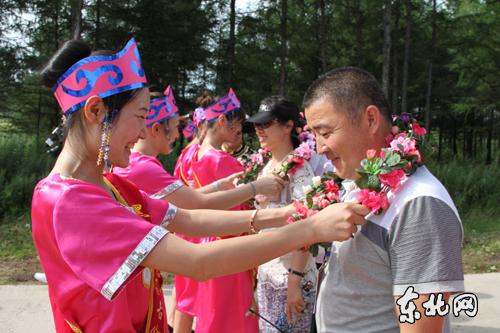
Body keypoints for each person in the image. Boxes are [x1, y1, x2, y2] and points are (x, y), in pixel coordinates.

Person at [31, 38, 368, 333]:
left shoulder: (111, 185)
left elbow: (188, 219)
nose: (140, 134)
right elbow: (197, 260)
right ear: (96, 111)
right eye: (139, 118)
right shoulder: (71, 202)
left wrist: (288, 214)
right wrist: (310, 228)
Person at [303, 67, 464, 333]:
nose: (320, 148)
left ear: (370, 119)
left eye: (326, 132)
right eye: (315, 135)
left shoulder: (419, 205)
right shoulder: (361, 180)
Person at [112, 86, 284, 333]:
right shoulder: (145, 166)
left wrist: (217, 186)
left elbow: (181, 199)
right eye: (174, 126)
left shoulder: (182, 154)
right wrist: (255, 188)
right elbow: (196, 204)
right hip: (214, 239)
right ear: (156, 129)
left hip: (186, 239)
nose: (179, 133)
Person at [247, 96, 332, 332]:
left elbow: (306, 225)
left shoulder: (298, 169)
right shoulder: (267, 166)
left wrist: (295, 280)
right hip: (267, 275)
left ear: (288, 126)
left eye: (266, 124)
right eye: (257, 124)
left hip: (290, 279)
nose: (259, 130)